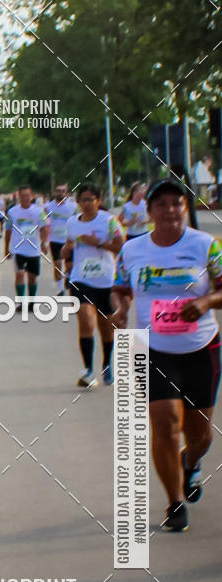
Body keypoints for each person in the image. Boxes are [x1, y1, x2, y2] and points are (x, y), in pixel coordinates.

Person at [112, 178, 222, 532]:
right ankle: (175, 502)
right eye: (162, 205)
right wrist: (118, 308)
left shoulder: (207, 246)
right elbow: (120, 288)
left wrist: (205, 301)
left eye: (177, 203)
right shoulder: (132, 250)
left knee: (200, 433)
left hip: (201, 349)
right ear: (149, 212)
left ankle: (189, 462)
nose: (171, 210)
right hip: (152, 349)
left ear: (185, 209)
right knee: (164, 424)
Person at [62, 182, 125, 387]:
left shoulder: (109, 221)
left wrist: (98, 243)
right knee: (86, 320)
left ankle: (107, 365)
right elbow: (68, 246)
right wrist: (66, 253)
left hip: (106, 280)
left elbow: (120, 246)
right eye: (83, 200)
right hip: (80, 278)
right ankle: (88, 369)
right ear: (78, 202)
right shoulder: (72, 222)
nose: (87, 203)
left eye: (91, 199)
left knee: (106, 327)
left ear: (98, 201)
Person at [4, 184, 49, 311]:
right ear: (18, 196)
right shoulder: (12, 212)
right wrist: (6, 249)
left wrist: (44, 243)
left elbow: (44, 227)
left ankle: (32, 303)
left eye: (27, 195)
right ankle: (21, 303)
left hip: (33, 250)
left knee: (32, 277)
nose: (25, 198)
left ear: (32, 196)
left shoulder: (39, 211)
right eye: (22, 196)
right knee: (19, 275)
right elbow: (7, 230)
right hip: (18, 249)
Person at [44, 184, 77, 295]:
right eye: (58, 191)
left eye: (63, 191)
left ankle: (67, 276)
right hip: (54, 240)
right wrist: (44, 240)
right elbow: (44, 223)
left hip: (69, 240)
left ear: (67, 193)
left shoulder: (73, 207)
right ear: (54, 192)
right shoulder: (48, 207)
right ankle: (60, 289)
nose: (60, 193)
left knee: (70, 265)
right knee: (57, 264)